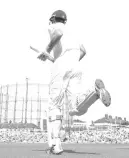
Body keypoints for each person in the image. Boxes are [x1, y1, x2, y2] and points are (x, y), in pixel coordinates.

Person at [30, 10, 111, 155]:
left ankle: (56, 145)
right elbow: (84, 51)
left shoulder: (55, 26)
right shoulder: (73, 33)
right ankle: (94, 91)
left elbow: (58, 34)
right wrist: (70, 62)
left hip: (61, 66)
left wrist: (47, 49)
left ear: (53, 19)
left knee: (54, 105)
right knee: (76, 108)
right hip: (75, 66)